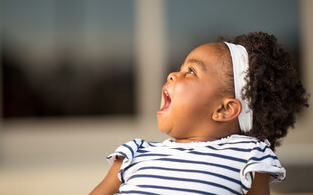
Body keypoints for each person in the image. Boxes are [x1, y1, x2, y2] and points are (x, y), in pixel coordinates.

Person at [90, 31, 309, 195]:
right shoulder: (135, 154)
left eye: (191, 71)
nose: (173, 74)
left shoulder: (249, 157)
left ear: (224, 109)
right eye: (181, 67)